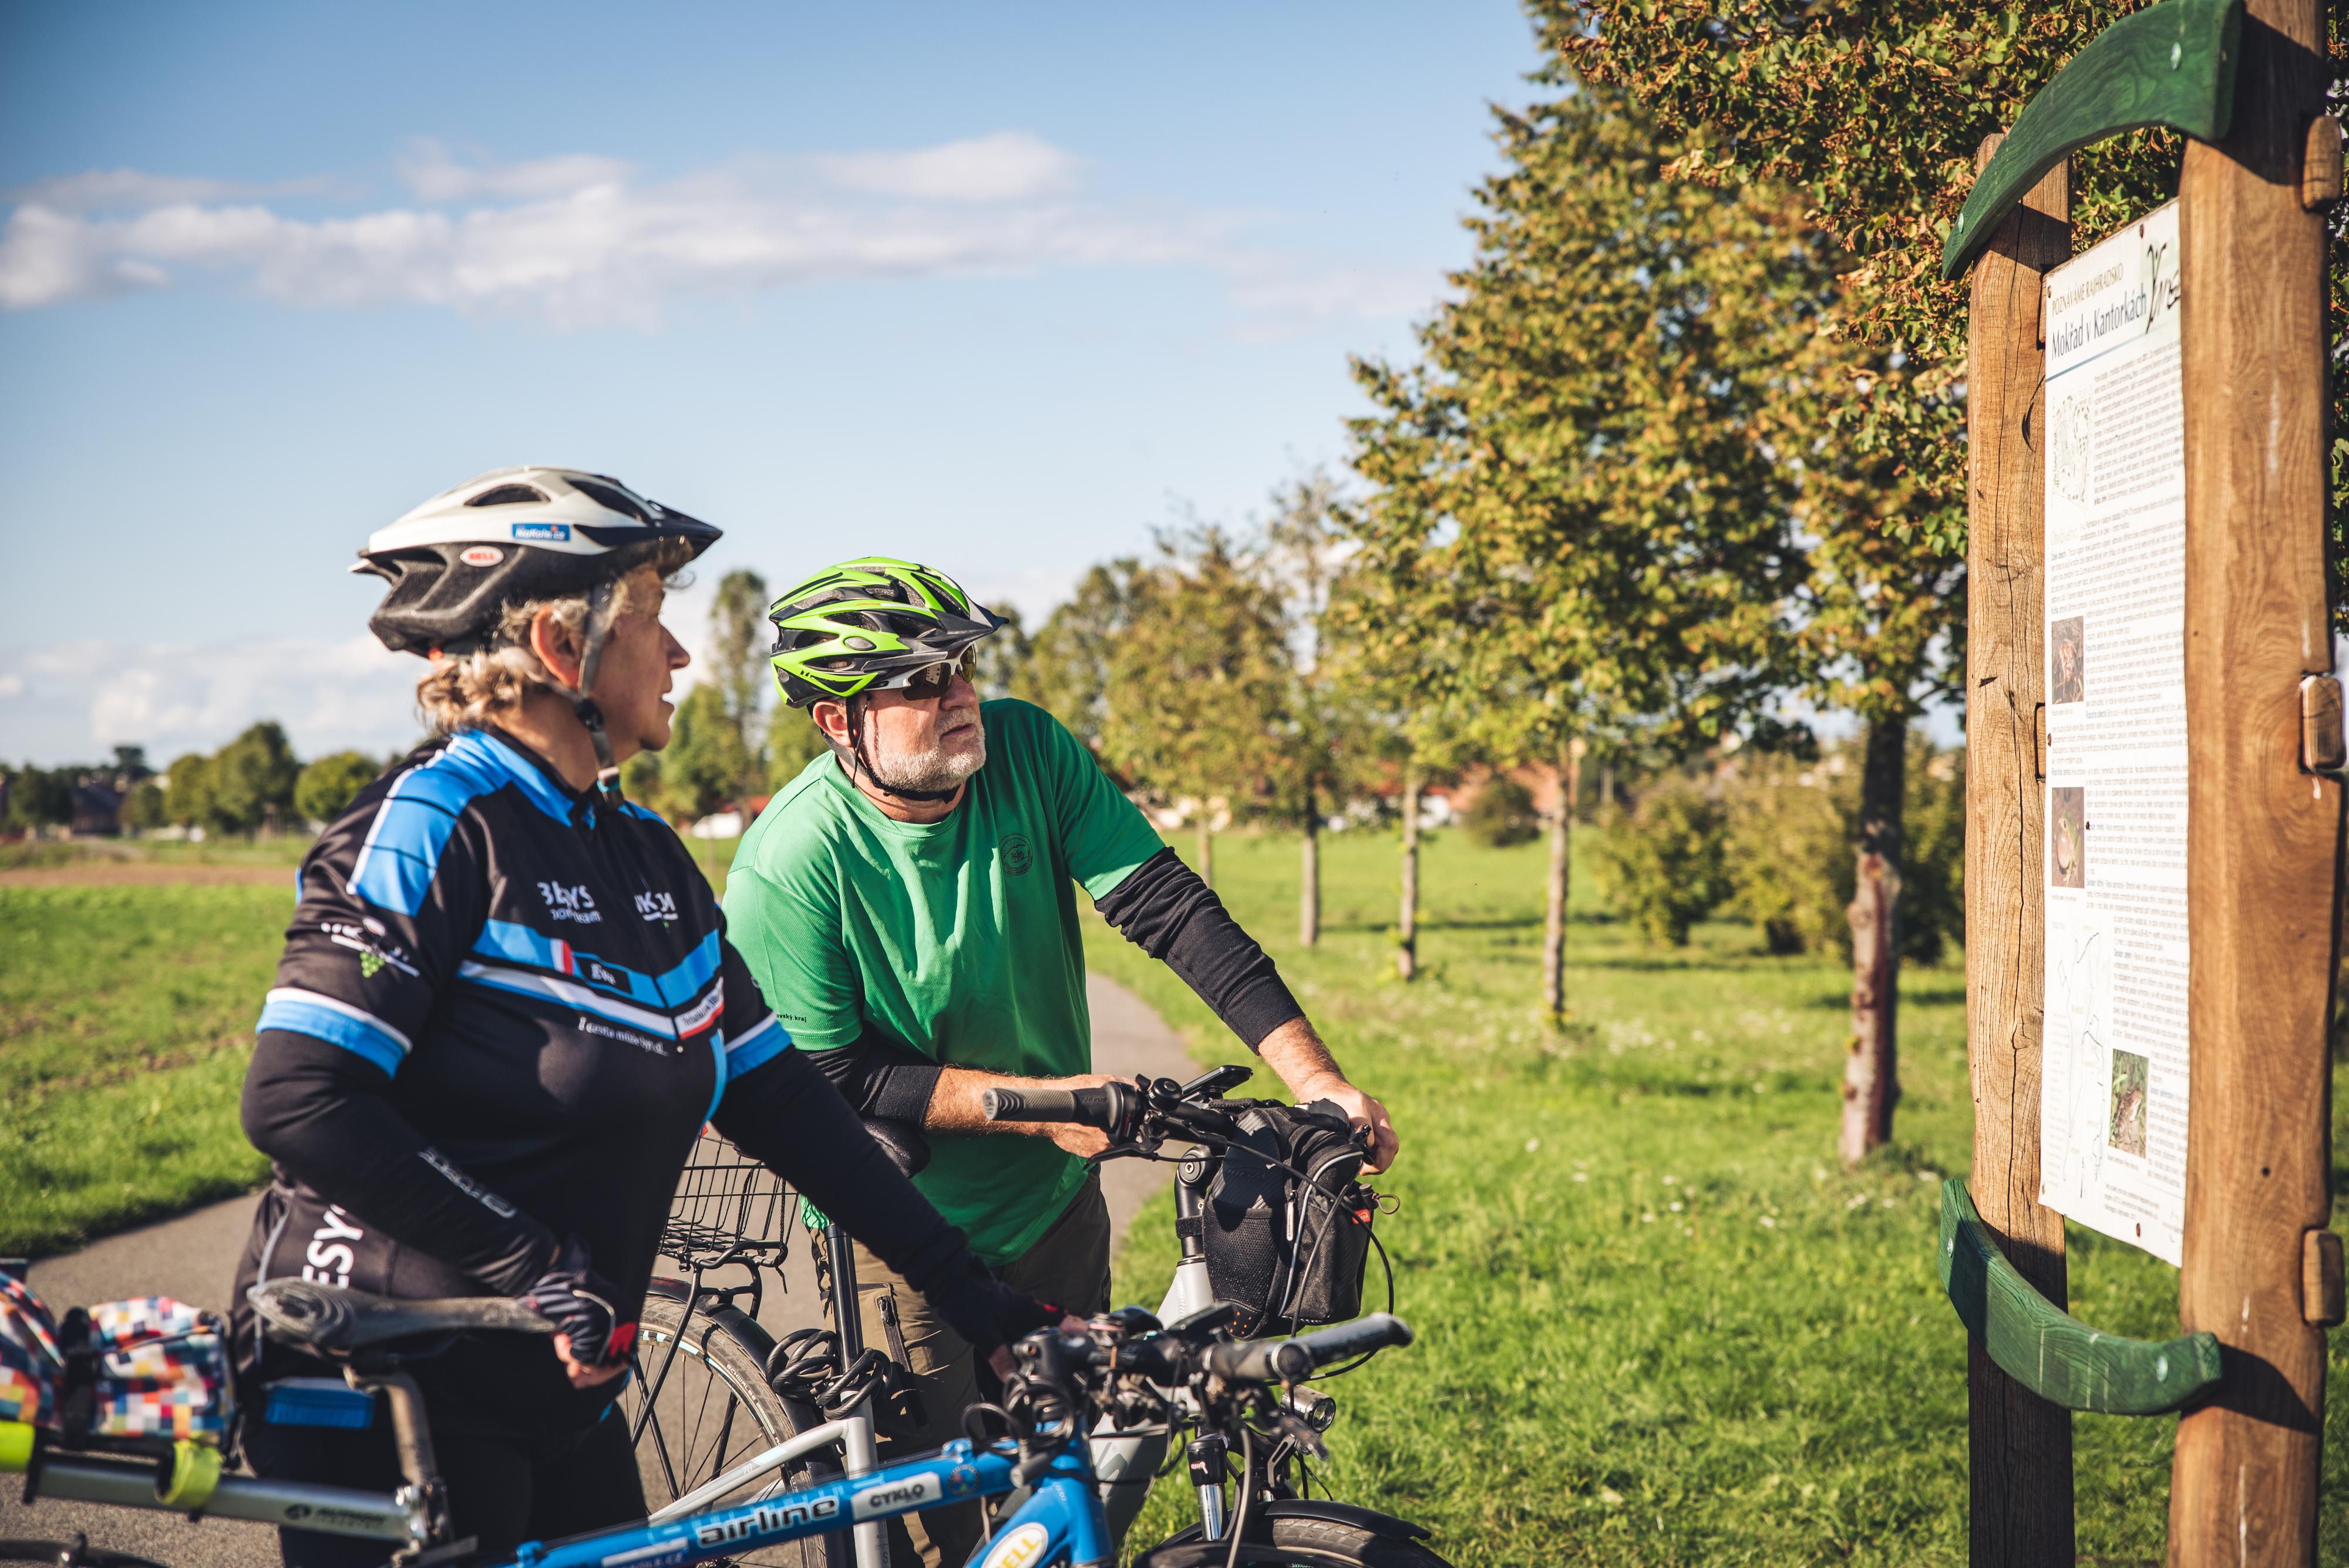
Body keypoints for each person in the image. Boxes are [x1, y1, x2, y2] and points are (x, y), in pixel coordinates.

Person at [231, 475, 1056, 1566]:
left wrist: (974, 1295)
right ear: (561, 646)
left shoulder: (644, 856)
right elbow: (299, 1097)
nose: (680, 653)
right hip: (389, 1372)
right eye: (654, 617)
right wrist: (532, 1262)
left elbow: (786, 1104)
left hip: (560, 1383)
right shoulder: (433, 823)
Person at [722, 556, 1401, 1568]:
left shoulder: (1029, 750)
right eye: (920, 681)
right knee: (948, 1529)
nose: (959, 695)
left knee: (1067, 1491)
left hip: (1055, 1210)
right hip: (902, 1238)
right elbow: (832, 1080)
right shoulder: (790, 861)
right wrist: (1046, 1105)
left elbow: (1169, 909)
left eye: (962, 667)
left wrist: (1316, 1076)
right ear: (836, 720)